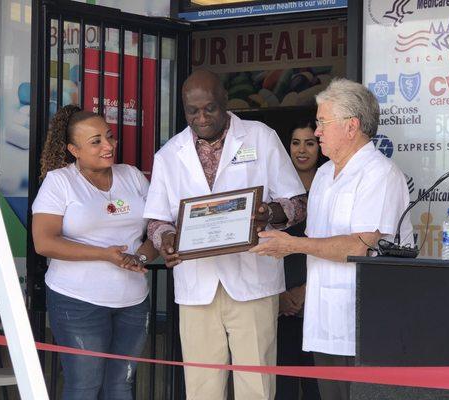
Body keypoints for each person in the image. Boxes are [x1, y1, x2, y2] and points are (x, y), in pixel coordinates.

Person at [143, 69, 306, 400]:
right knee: (202, 388)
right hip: (197, 287)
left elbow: (297, 204)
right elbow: (157, 221)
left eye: (210, 108)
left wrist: (267, 214)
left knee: (257, 386)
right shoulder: (169, 155)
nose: (201, 117)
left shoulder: (260, 137)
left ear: (225, 102)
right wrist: (166, 240)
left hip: (253, 283)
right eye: (192, 111)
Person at [251, 78, 413, 400]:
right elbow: (319, 243)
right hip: (323, 323)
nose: (318, 131)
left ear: (351, 126)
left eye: (323, 122)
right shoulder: (325, 175)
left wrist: (291, 245)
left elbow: (360, 246)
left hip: (363, 325)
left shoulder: (379, 174)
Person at [32, 105, 158, 400]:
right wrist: (104, 254)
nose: (109, 146)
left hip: (133, 300)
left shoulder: (132, 176)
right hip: (77, 301)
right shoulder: (59, 182)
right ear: (73, 149)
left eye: (110, 137)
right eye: (96, 141)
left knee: (120, 385)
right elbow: (44, 242)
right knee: (84, 386)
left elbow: (156, 227)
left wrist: (140, 257)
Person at [276, 119, 326, 400]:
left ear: (320, 146)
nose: (302, 150)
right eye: (296, 143)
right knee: (281, 384)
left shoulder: (330, 183)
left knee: (316, 386)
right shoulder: (276, 188)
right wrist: (280, 294)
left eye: (310, 142)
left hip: (316, 297)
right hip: (281, 300)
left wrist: (306, 291)